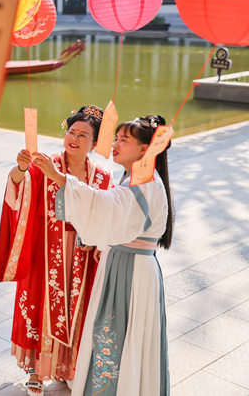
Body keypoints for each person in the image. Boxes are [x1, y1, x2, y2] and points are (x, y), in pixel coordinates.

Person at [32, 115, 173, 396]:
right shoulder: (138, 177)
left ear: (144, 150)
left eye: (124, 140)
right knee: (120, 337)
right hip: (127, 263)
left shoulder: (142, 180)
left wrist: (59, 178)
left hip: (130, 270)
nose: (116, 144)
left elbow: (105, 205)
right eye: (117, 137)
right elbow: (115, 214)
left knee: (119, 336)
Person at [0, 105, 113, 394]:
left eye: (83, 135)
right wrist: (21, 169)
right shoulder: (45, 163)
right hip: (46, 249)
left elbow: (105, 214)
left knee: (78, 310)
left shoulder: (102, 177)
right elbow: (18, 191)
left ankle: (68, 367)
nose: (74, 138)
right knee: (41, 306)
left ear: (95, 143)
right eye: (71, 132)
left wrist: (98, 241)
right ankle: (37, 370)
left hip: (82, 252)